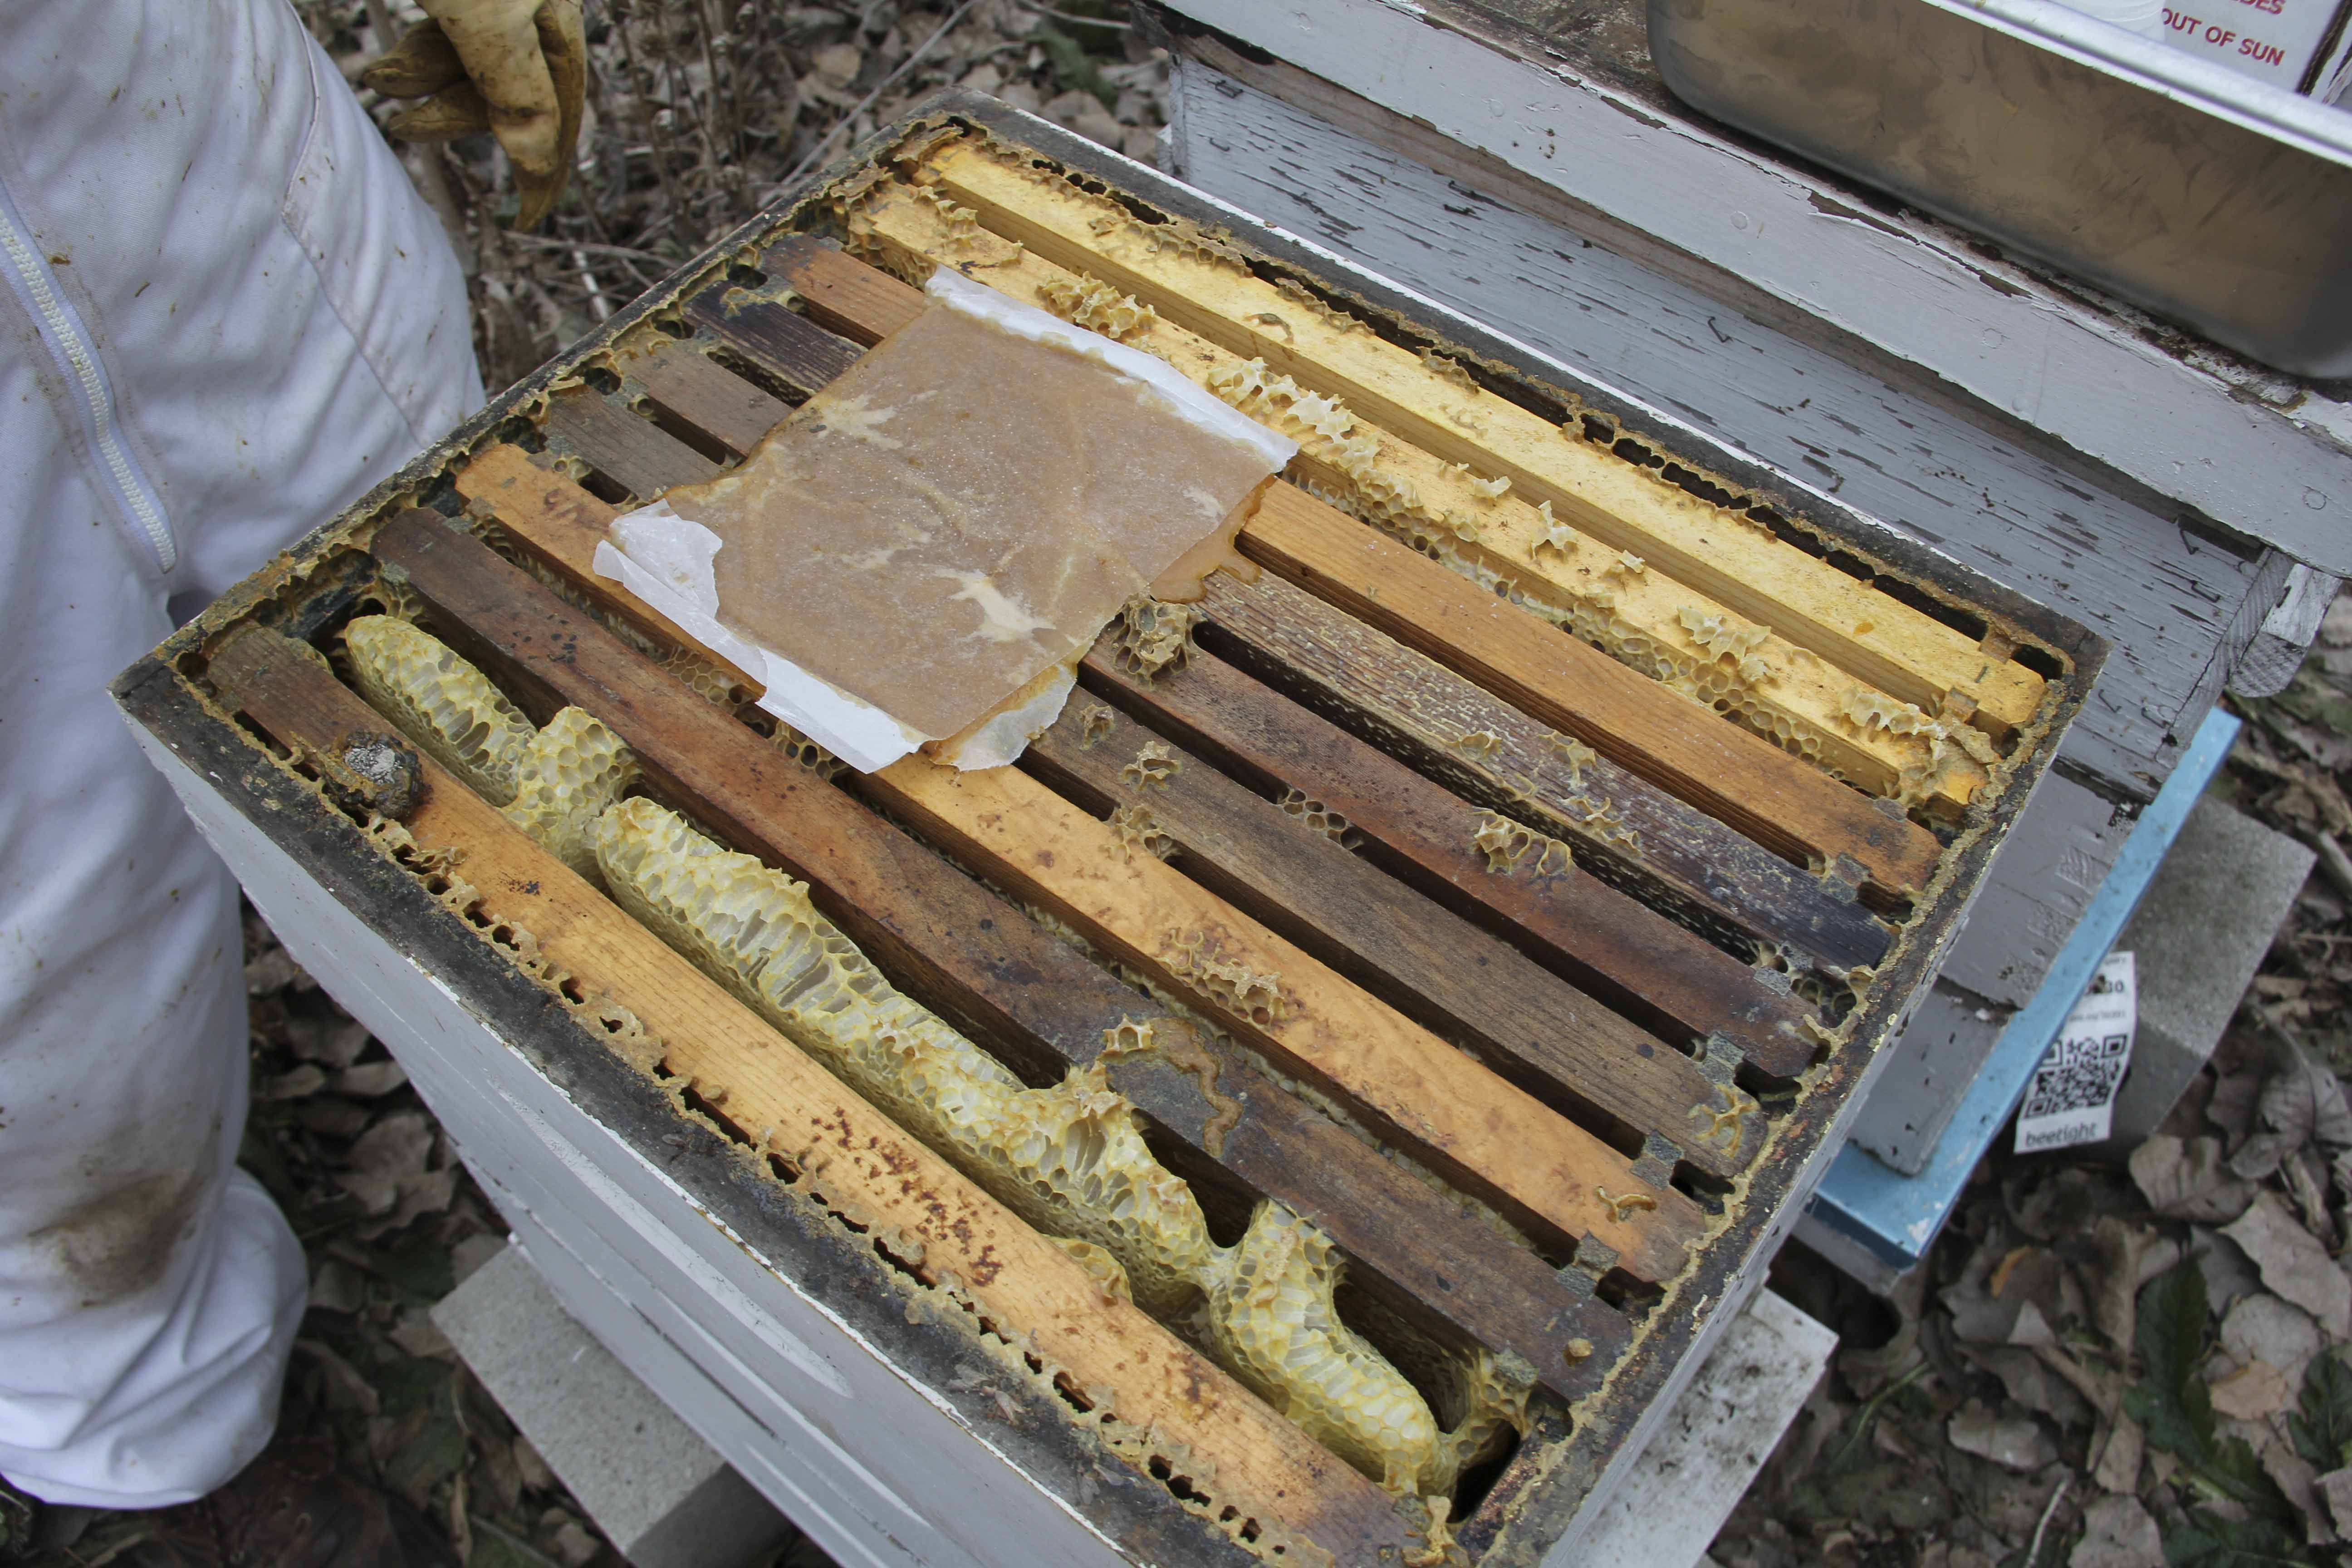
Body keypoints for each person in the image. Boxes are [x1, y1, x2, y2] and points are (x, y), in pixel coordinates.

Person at [0, 0, 579, 1525]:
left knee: (456, 620)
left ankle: (619, 1140)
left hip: (137, 93)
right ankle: (159, 1431)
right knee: (34, 992)